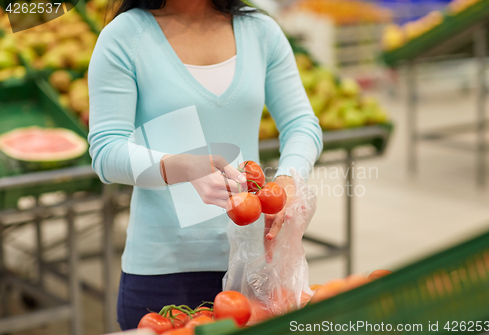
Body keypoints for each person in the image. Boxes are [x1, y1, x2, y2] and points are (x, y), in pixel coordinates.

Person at [87, 0, 323, 330]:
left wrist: (287, 180)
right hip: (163, 272)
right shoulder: (125, 36)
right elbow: (106, 151)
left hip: (252, 268)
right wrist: (185, 168)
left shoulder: (260, 30)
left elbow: (302, 123)